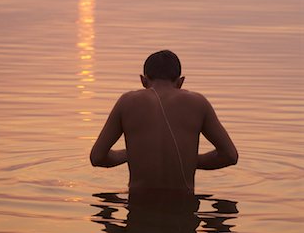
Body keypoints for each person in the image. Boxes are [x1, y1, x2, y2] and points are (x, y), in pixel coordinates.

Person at [90, 50, 238, 197]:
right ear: (180, 82)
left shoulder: (127, 102)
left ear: (143, 80)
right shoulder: (198, 103)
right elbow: (229, 156)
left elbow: (97, 157)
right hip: (183, 205)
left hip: (139, 205)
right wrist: (190, 160)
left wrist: (131, 155)